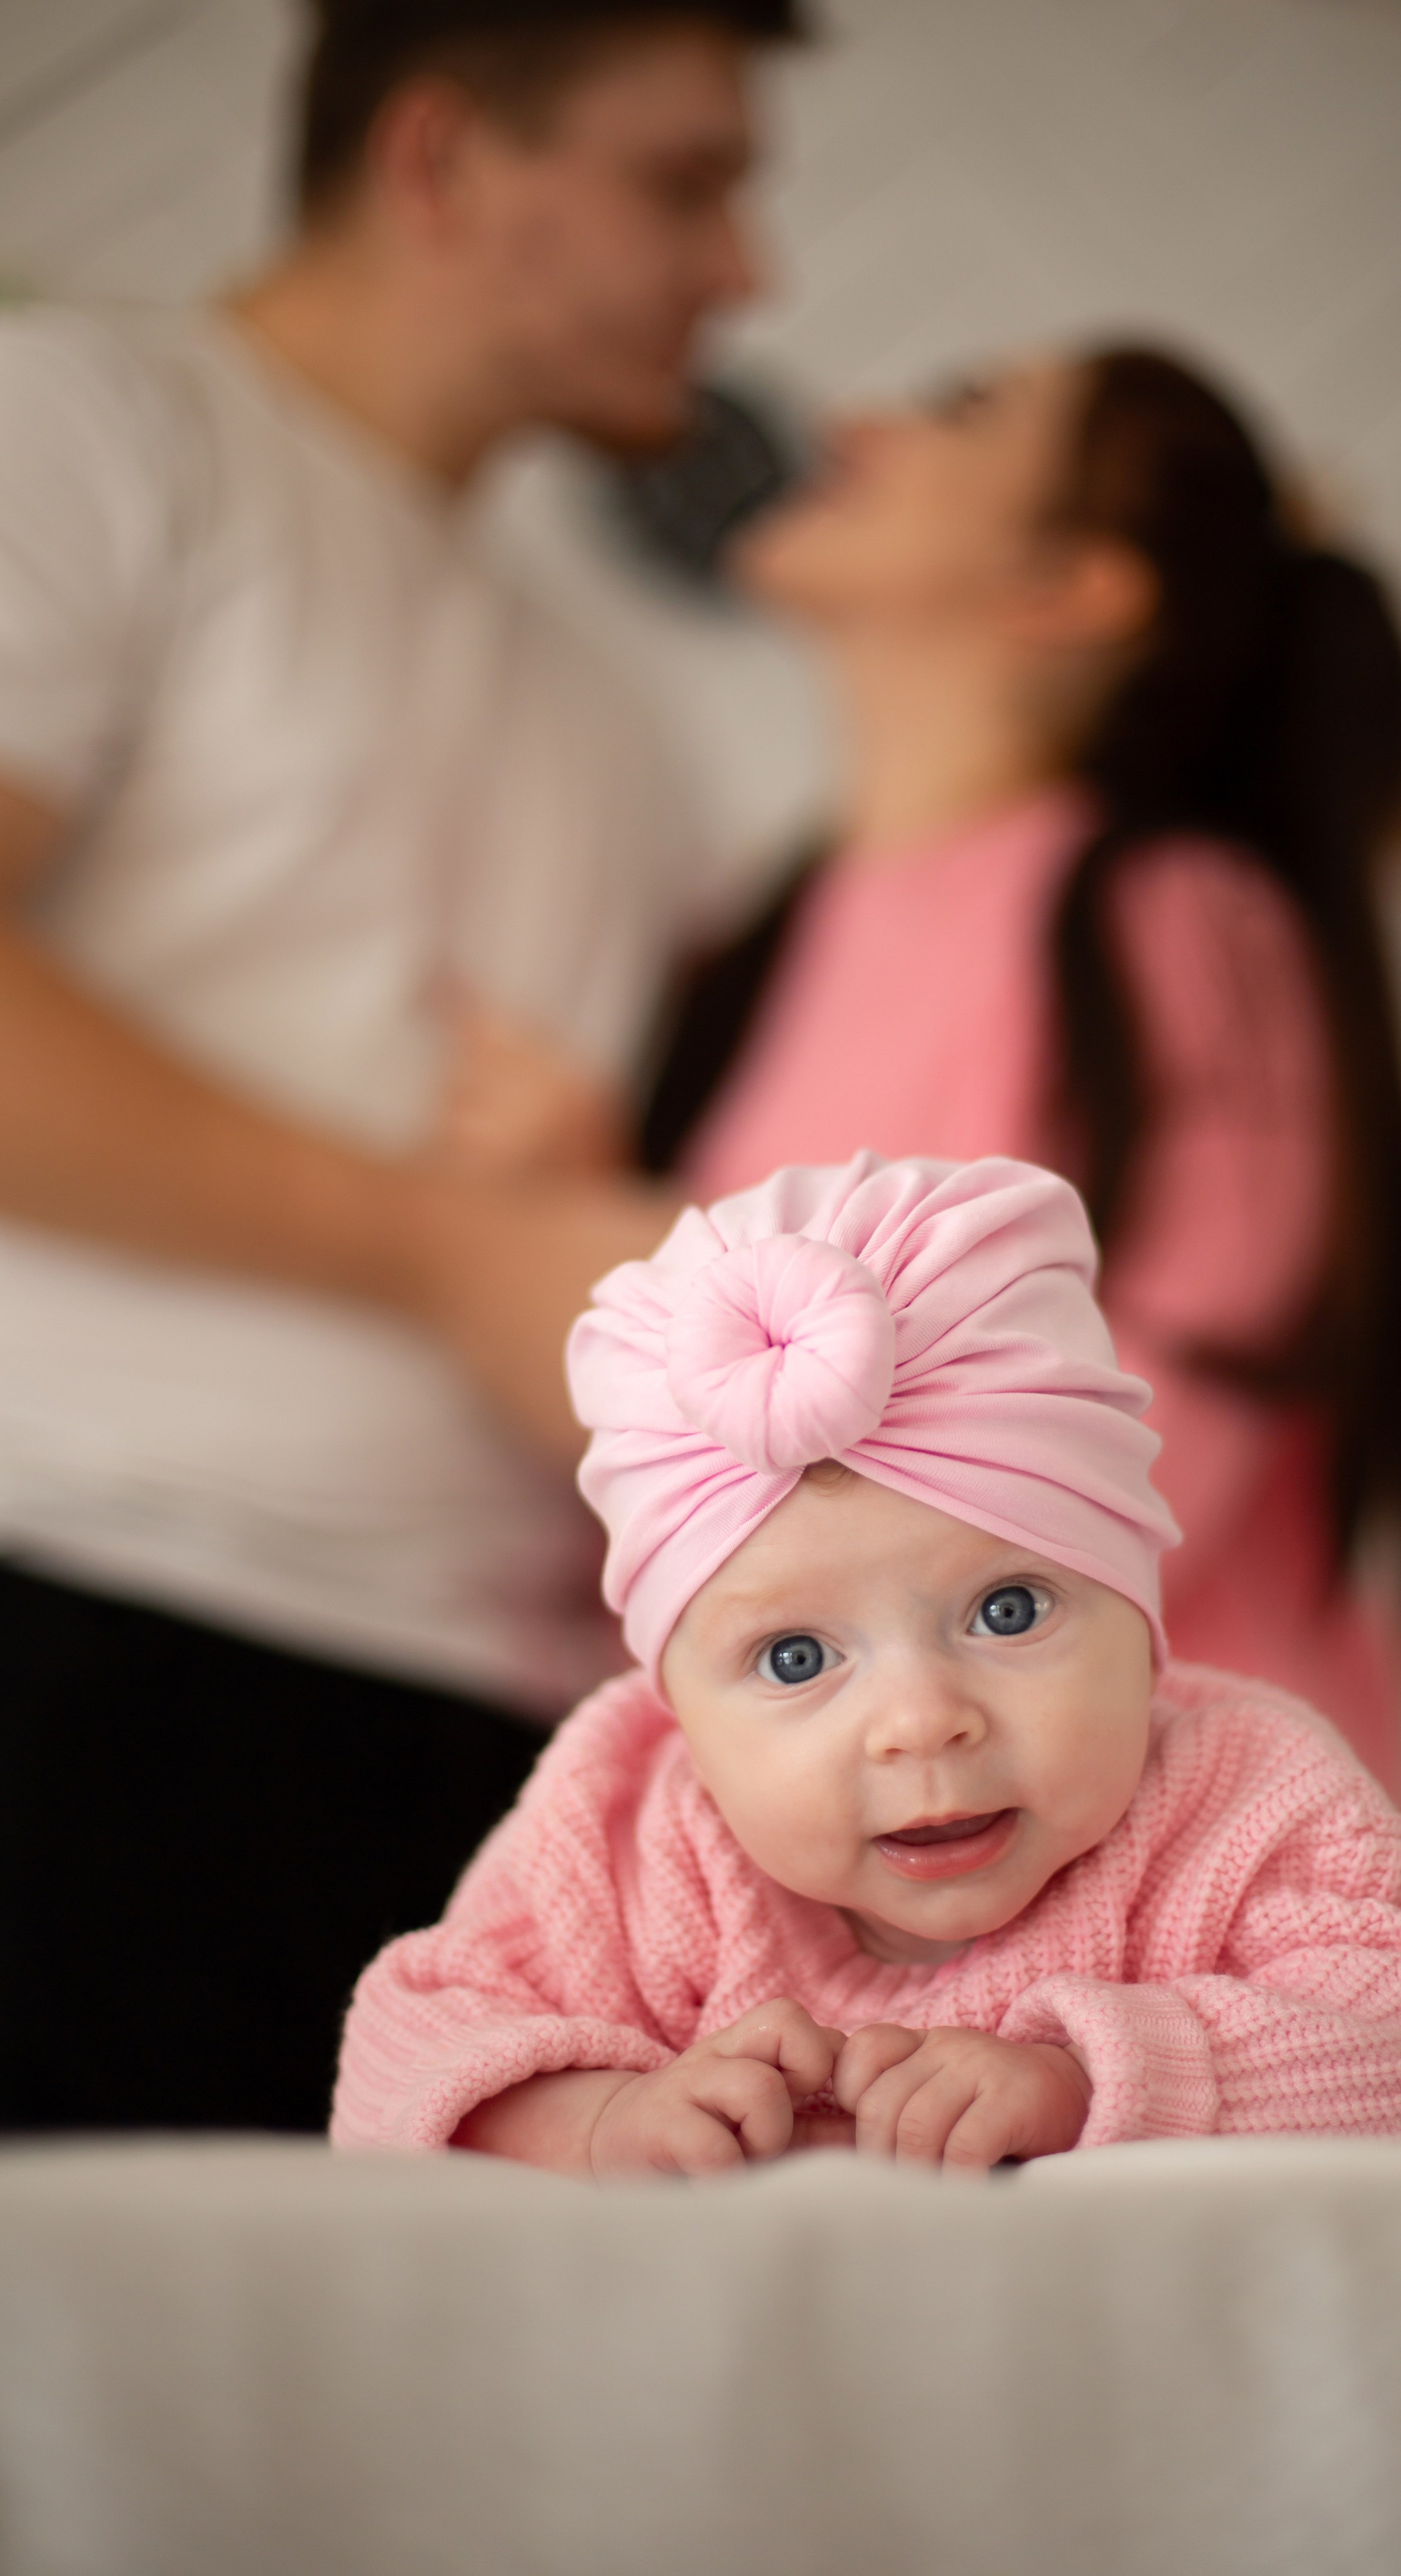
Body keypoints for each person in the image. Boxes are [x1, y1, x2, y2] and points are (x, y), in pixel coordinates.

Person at [0, 0, 805, 2137]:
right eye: (685, 182)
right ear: (440, 161)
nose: (749, 272)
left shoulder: (628, 721)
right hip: (83, 1656)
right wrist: (434, 1240)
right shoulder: (88, 427)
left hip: (503, 1765)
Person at [612, 347, 1401, 1817]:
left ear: (1070, 586)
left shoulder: (1176, 925)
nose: (850, 417)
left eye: (955, 407)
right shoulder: (758, 935)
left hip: (1162, 1867)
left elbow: (1147, 1473)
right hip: (846, 1839)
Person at [333, 1153, 1401, 2173]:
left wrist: (1089, 2087)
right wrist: (596, 2125)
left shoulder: (1245, 1800)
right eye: (796, 1656)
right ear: (675, 1706)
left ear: (1137, 1614)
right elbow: (397, 2065)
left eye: (1006, 1609)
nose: (921, 1721)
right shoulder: (629, 1828)